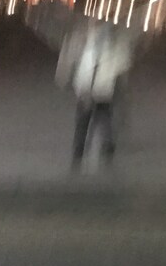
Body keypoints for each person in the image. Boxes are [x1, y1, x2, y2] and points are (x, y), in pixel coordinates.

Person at [56, 20, 132, 171]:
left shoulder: (90, 40)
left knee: (88, 121)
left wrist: (64, 75)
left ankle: (82, 152)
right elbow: (122, 66)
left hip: (94, 87)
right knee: (100, 119)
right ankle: (103, 149)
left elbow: (72, 59)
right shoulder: (112, 42)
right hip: (98, 87)